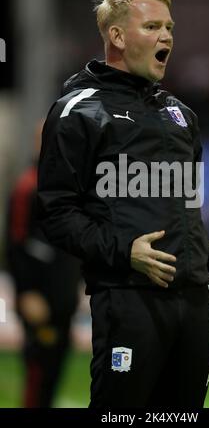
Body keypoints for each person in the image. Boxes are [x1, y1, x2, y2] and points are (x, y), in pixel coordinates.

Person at [37, 0, 209, 409]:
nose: (167, 37)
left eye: (170, 27)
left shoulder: (181, 115)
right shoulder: (79, 110)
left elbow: (184, 209)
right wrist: (125, 252)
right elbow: (56, 213)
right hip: (128, 300)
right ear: (118, 37)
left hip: (194, 304)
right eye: (153, 26)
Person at [5, 121, 81, 407]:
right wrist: (27, 292)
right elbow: (16, 244)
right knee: (39, 376)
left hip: (61, 302)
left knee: (51, 376)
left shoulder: (66, 187)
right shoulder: (28, 186)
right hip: (39, 300)